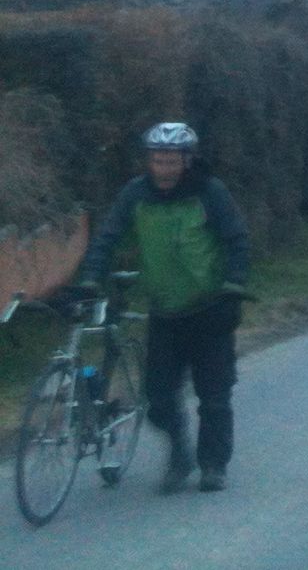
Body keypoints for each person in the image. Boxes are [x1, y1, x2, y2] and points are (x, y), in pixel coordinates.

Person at [75, 122, 251, 494]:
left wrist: (234, 288)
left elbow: (236, 240)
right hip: (165, 312)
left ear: (187, 160)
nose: (165, 168)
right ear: (149, 161)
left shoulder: (209, 193)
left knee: (214, 396)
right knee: (157, 400)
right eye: (158, 160)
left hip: (210, 309)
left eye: (173, 160)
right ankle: (180, 453)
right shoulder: (136, 195)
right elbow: (107, 237)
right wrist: (90, 277)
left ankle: (213, 465)